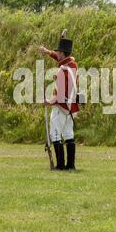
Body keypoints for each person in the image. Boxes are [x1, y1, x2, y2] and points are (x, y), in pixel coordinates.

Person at [38, 32, 79, 170]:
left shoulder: (63, 71)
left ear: (63, 53)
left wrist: (49, 102)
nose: (57, 54)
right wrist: (48, 52)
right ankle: (70, 165)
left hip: (60, 106)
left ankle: (60, 165)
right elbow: (61, 60)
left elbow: (60, 94)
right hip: (71, 107)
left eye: (59, 52)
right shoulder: (72, 65)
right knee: (68, 134)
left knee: (55, 134)